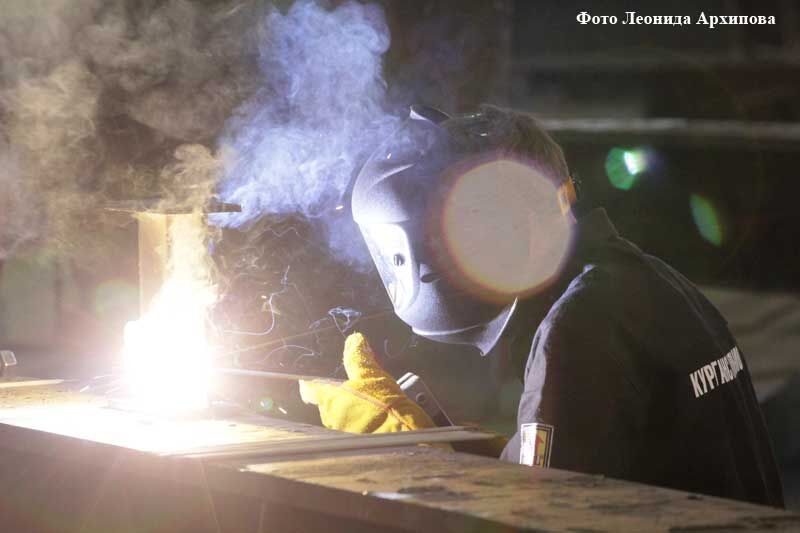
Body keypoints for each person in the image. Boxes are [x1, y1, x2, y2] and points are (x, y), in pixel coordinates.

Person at [300, 104, 785, 507]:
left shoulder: (578, 329)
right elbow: (571, 467)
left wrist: (415, 459)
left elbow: (527, 516)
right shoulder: (650, 281)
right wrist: (442, 443)